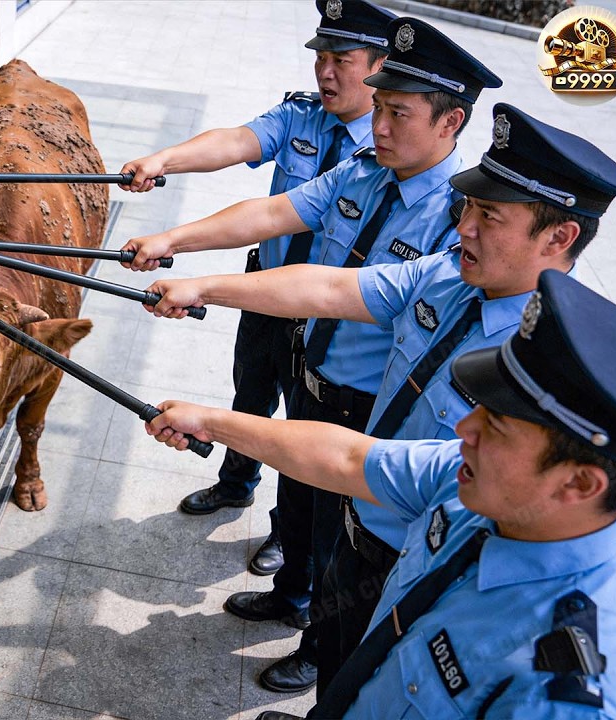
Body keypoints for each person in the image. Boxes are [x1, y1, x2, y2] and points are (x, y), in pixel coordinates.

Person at [143, 103, 616, 694]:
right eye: (470, 209)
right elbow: (331, 287)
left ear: (559, 236)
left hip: (419, 544)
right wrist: (202, 287)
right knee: (342, 657)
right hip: (368, 506)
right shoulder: (451, 276)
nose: (464, 228)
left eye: (489, 216)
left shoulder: (559, 371)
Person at [125, 17, 501, 694]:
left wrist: (201, 280)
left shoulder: (458, 225)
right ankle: (291, 593)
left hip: (366, 410)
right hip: (312, 370)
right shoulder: (363, 173)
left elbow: (335, 289)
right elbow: (271, 217)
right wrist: (178, 243)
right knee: (297, 502)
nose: (378, 127)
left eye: (398, 114)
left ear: (451, 123)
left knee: (342, 542)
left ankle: (316, 644)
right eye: (379, 109)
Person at [144, 269, 616, 719]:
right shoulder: (479, 478)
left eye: (497, 426)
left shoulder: (569, 694)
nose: (465, 427)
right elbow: (349, 459)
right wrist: (210, 422)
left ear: (579, 482)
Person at [120, 0, 395, 579]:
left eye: (341, 59)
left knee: (301, 429)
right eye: (320, 56)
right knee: (251, 392)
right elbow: (236, 144)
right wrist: (163, 160)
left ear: (379, 66)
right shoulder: (303, 116)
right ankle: (235, 483)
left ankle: (286, 534)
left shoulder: (391, 157)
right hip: (260, 291)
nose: (325, 71)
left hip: (327, 318)